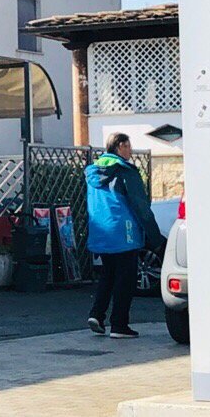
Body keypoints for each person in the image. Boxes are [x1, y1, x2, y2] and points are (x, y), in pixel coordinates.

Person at [85, 132, 164, 339]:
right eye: (128, 146)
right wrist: (156, 240)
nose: (130, 150)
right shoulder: (124, 171)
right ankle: (119, 325)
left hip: (102, 232)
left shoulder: (93, 172)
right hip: (124, 232)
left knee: (108, 274)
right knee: (125, 279)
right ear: (119, 147)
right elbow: (140, 206)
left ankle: (96, 315)